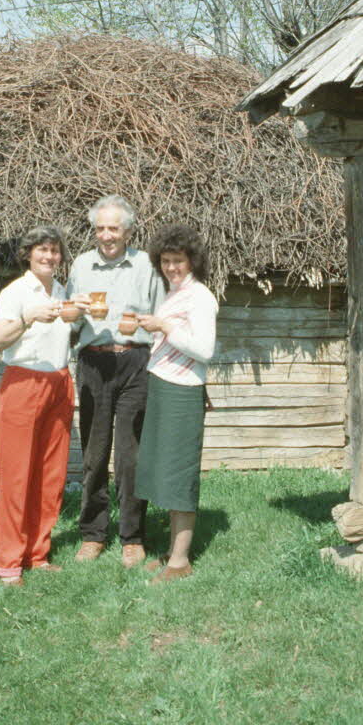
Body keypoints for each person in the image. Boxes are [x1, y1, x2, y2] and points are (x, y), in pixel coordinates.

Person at [67, 195, 164, 566]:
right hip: (93, 363)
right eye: (101, 228)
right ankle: (92, 534)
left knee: (130, 455)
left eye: (114, 228)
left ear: (128, 230)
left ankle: (132, 536)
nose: (107, 235)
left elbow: (159, 317)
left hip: (135, 362)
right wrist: (74, 314)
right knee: (94, 453)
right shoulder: (81, 266)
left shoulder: (146, 265)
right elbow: (73, 322)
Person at [0, 225, 74, 586]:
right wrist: (27, 318)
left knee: (50, 474)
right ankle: (9, 563)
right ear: (28, 254)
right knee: (17, 475)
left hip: (59, 382)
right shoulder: (16, 292)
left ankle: (38, 554)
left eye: (54, 251)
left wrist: (77, 314)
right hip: (23, 383)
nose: (49, 257)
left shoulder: (63, 290)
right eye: (42, 250)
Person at [135, 224, 218, 581]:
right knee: (165, 471)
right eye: (166, 261)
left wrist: (165, 327)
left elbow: (204, 350)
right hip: (163, 384)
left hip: (182, 391)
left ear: (192, 261)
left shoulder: (201, 297)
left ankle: (180, 563)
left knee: (180, 474)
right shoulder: (174, 294)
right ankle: (171, 551)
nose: (172, 267)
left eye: (178, 261)